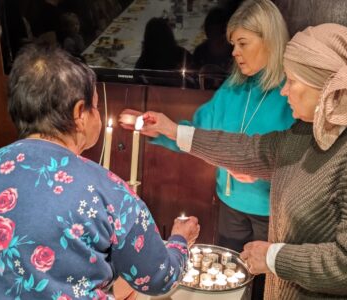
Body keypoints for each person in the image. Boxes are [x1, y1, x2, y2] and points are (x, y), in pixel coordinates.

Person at [134, 23, 347, 299]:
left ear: (327, 87)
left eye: (292, 81)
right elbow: (252, 151)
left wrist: (274, 257)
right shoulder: (316, 127)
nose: (284, 90)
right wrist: (172, 130)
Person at [0, 43, 200, 300]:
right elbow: (159, 278)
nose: (96, 113)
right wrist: (179, 239)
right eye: (95, 106)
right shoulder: (108, 190)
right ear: (79, 114)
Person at [121, 1, 294, 299]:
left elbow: (300, 159)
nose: (234, 52)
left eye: (242, 43)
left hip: (275, 211)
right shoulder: (232, 88)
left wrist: (261, 173)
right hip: (230, 206)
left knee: (269, 290)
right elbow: (196, 133)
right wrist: (159, 132)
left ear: (270, 40)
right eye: (232, 44)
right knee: (228, 285)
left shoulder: (292, 92)